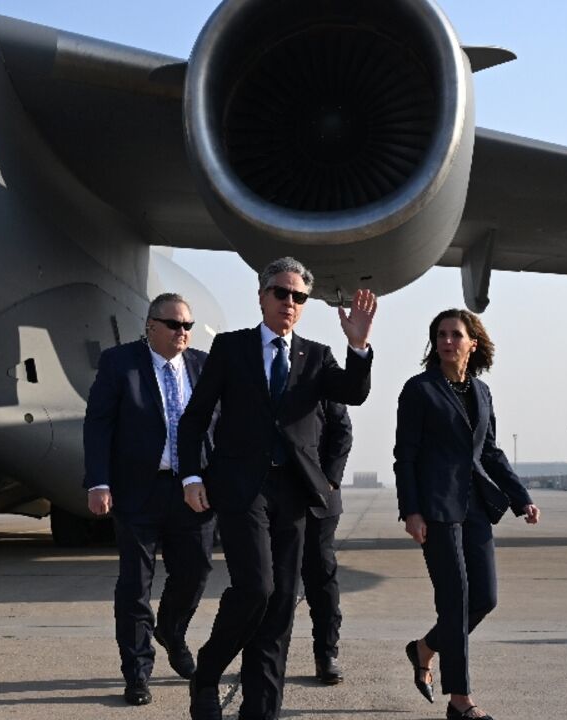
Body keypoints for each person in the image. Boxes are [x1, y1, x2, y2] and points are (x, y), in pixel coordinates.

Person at [177, 257, 375, 720]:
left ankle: (261, 709)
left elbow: (353, 392)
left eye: (299, 296)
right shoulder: (230, 349)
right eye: (281, 293)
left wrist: (359, 345)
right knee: (258, 588)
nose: (290, 302)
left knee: (282, 603)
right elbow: (195, 418)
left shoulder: (318, 355)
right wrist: (191, 476)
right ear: (262, 296)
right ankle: (207, 675)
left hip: (295, 492)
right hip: (242, 488)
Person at [394, 309, 541, 720]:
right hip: (437, 510)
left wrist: (520, 497)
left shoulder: (481, 392)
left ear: (472, 343)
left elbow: (490, 452)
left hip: (475, 507)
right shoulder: (419, 390)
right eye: (440, 335)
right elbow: (404, 456)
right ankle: (461, 702)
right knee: (455, 602)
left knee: (485, 598)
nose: (446, 341)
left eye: (455, 335)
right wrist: (411, 511)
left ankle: (424, 648)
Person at [82, 293, 215, 706]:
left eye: (188, 326)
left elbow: (221, 424)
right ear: (151, 326)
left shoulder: (203, 365)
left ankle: (172, 630)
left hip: (192, 488)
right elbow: (98, 423)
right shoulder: (120, 363)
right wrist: (98, 482)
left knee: (195, 571)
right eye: (174, 325)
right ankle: (137, 671)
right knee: (135, 586)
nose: (183, 333)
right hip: (138, 490)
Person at [302, 399, 352, 685]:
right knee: (268, 586)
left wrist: (330, 480)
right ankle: (265, 657)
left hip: (320, 496)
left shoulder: (317, 366)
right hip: (272, 498)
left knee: (322, 577)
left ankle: (326, 654)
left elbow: (342, 429)